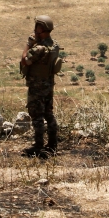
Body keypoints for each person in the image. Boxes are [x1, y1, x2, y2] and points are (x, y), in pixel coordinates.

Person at [20, 15, 62, 158]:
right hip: (48, 84)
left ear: (43, 31)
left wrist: (28, 43)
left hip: (37, 86)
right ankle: (52, 144)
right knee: (48, 114)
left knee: (37, 115)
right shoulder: (53, 45)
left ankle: (38, 146)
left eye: (37, 30)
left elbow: (25, 60)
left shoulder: (39, 49)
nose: (35, 33)